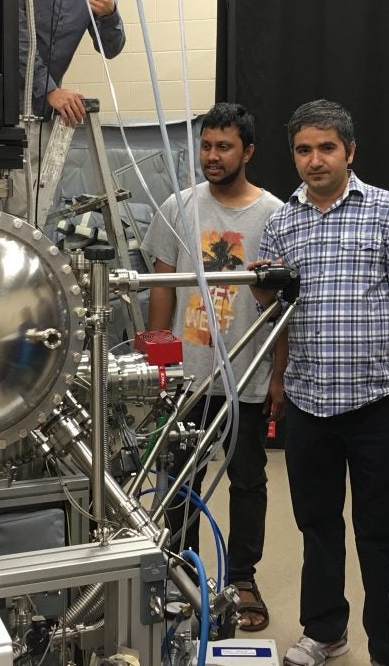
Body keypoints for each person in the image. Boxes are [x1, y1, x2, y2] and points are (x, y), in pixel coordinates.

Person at [252, 99, 389, 666]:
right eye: (304, 149)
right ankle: (326, 630)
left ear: (350, 151)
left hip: (377, 402)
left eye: (326, 147)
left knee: (382, 534)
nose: (314, 159)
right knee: (316, 525)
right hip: (308, 401)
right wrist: (278, 378)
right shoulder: (281, 220)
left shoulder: (387, 212)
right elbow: (276, 308)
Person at [141, 103, 285, 632]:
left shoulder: (274, 214)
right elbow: (160, 287)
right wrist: (159, 363)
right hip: (188, 375)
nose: (212, 156)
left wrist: (280, 374)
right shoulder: (179, 207)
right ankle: (178, 570)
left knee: (247, 480)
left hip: (245, 376)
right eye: (206, 146)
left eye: (224, 147)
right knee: (178, 479)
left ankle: (242, 578)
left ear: (247, 151)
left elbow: (283, 305)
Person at [13, 0, 126, 221]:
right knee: (6, 216)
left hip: (45, 118)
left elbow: (111, 48)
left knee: (34, 217)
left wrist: (109, 14)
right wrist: (49, 89)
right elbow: (12, 30)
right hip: (2, 110)